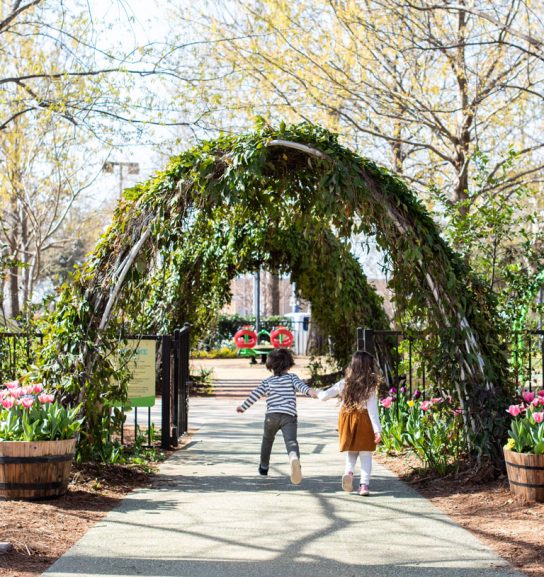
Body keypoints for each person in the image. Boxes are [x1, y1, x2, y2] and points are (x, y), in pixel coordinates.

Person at [236, 347, 317, 484]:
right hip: (289, 416)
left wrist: (243, 407)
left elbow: (255, 395)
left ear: (270, 366)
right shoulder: (292, 378)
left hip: (271, 416)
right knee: (291, 442)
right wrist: (310, 392)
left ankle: (264, 467)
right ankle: (293, 458)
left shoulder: (267, 381)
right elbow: (302, 388)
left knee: (267, 440)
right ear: (288, 364)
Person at [318, 351, 382, 496]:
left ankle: (349, 472)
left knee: (352, 451)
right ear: (368, 367)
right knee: (365, 454)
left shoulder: (344, 383)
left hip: (347, 419)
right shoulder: (370, 385)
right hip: (364, 420)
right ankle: (364, 485)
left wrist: (316, 393)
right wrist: (377, 430)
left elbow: (324, 396)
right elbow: (372, 409)